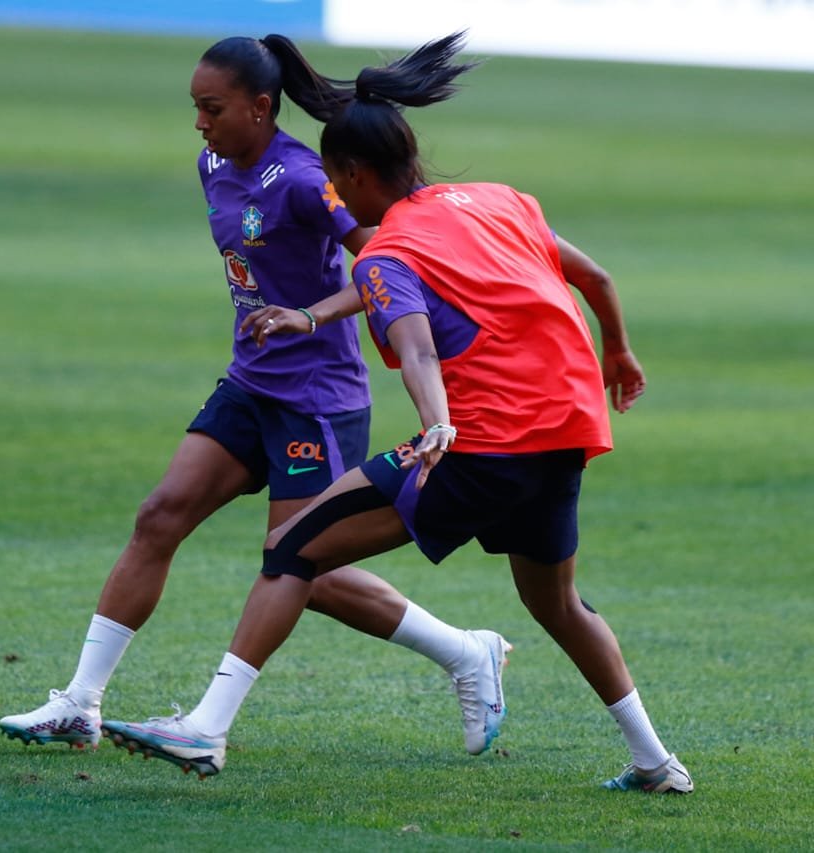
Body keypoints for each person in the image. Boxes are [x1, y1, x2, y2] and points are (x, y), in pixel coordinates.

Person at [101, 32, 693, 794]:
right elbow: (593, 275)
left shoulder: (386, 254)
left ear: (350, 174)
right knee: (557, 601)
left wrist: (437, 421)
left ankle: (205, 729)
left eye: (337, 185)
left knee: (293, 548)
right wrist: (619, 351)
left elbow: (414, 347)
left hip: (478, 442)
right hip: (566, 434)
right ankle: (655, 761)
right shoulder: (498, 202)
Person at [0, 34, 512, 759]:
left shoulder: (306, 179)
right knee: (159, 515)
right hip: (252, 382)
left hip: (317, 399)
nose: (200, 124)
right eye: (195, 109)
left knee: (302, 564)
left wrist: (309, 314)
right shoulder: (213, 163)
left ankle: (465, 652)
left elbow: (388, 264)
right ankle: (79, 702)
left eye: (213, 108)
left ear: (261, 108)